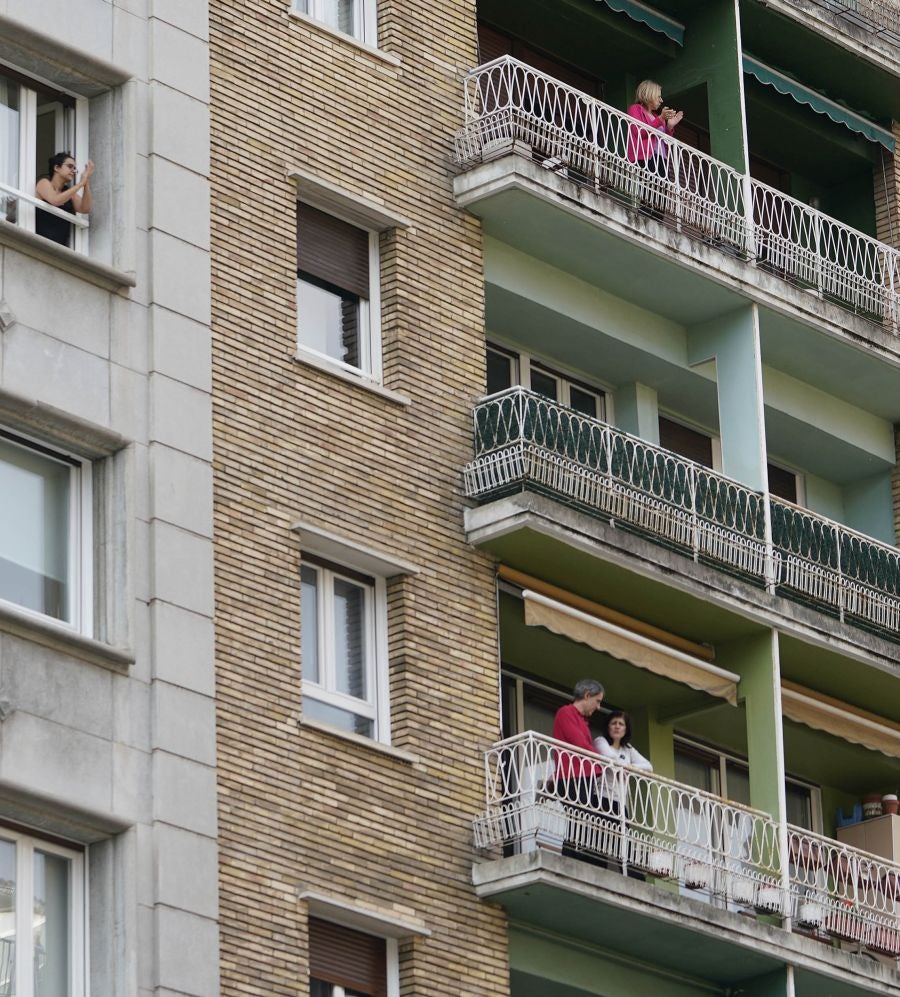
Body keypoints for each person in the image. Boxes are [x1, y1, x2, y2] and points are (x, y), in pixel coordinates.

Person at [552, 679, 605, 859]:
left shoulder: (581, 720)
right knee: (579, 819)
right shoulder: (566, 712)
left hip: (581, 777)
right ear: (587, 695)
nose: (598, 707)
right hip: (570, 777)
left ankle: (578, 859)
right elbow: (579, 744)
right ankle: (570, 859)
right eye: (597, 701)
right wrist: (602, 759)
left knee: (583, 821)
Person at [626, 80, 682, 209]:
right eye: (659, 96)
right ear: (649, 94)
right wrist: (660, 119)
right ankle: (644, 219)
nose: (661, 100)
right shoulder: (636, 109)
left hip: (661, 158)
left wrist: (669, 126)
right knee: (649, 193)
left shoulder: (657, 117)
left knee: (661, 196)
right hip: (646, 157)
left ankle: (657, 221)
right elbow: (639, 132)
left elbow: (665, 143)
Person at [593, 709, 652, 813]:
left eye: (621, 724)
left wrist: (630, 768)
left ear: (626, 730)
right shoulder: (601, 741)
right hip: (602, 797)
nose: (617, 726)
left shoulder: (628, 749)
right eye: (613, 723)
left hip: (620, 803)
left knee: (623, 829)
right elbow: (611, 758)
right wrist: (625, 768)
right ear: (608, 727)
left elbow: (649, 767)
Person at [35, 152, 94, 247]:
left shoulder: (68, 192)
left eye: (74, 168)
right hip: (39, 242)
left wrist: (86, 181)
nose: (73, 171)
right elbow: (55, 200)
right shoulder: (44, 182)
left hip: (60, 246)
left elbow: (85, 208)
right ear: (56, 168)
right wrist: (80, 184)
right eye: (70, 166)